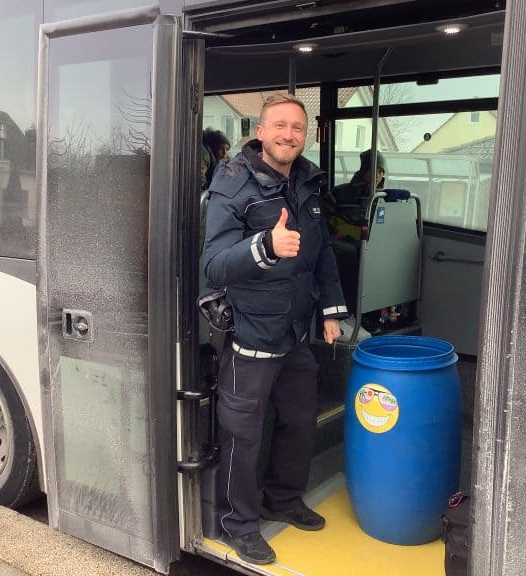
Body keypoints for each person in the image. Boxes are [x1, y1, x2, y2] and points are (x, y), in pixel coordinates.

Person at [201, 93, 348, 565]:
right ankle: (237, 523)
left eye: (298, 128)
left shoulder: (307, 183)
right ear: (260, 131)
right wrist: (265, 245)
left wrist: (331, 310)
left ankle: (282, 498)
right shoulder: (232, 185)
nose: (288, 134)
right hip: (250, 336)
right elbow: (214, 264)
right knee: (242, 435)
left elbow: (321, 253)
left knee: (301, 421)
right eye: (279, 125)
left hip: (295, 333)